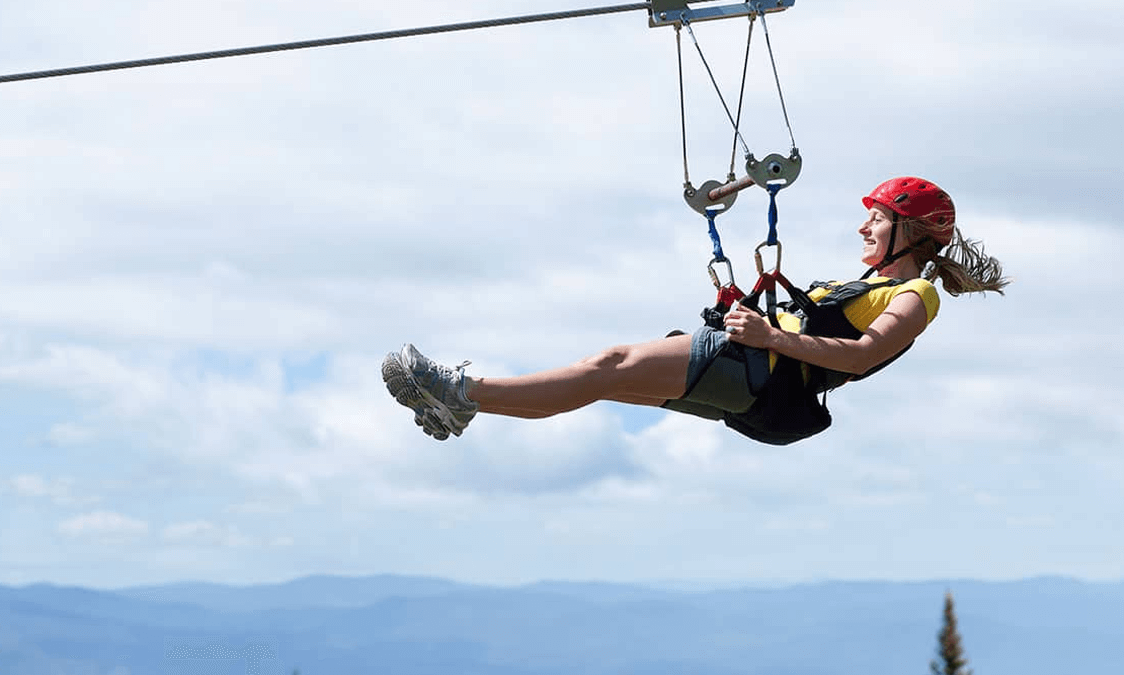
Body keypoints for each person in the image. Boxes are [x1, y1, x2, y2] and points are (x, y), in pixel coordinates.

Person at [382, 177, 1008, 443]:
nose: (864, 228)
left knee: (608, 362)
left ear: (914, 233)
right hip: (759, 381)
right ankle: (466, 405)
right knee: (603, 378)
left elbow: (865, 354)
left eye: (878, 219)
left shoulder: (914, 296)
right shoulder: (869, 285)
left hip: (760, 369)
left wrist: (771, 334)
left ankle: (462, 392)